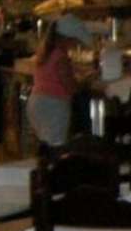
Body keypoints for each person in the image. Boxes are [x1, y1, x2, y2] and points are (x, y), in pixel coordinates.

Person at [27, 14, 93, 145]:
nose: (75, 45)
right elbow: (70, 87)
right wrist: (85, 82)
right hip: (53, 106)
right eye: (74, 41)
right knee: (57, 147)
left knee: (45, 147)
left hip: (36, 102)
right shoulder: (61, 58)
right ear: (67, 38)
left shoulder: (45, 53)